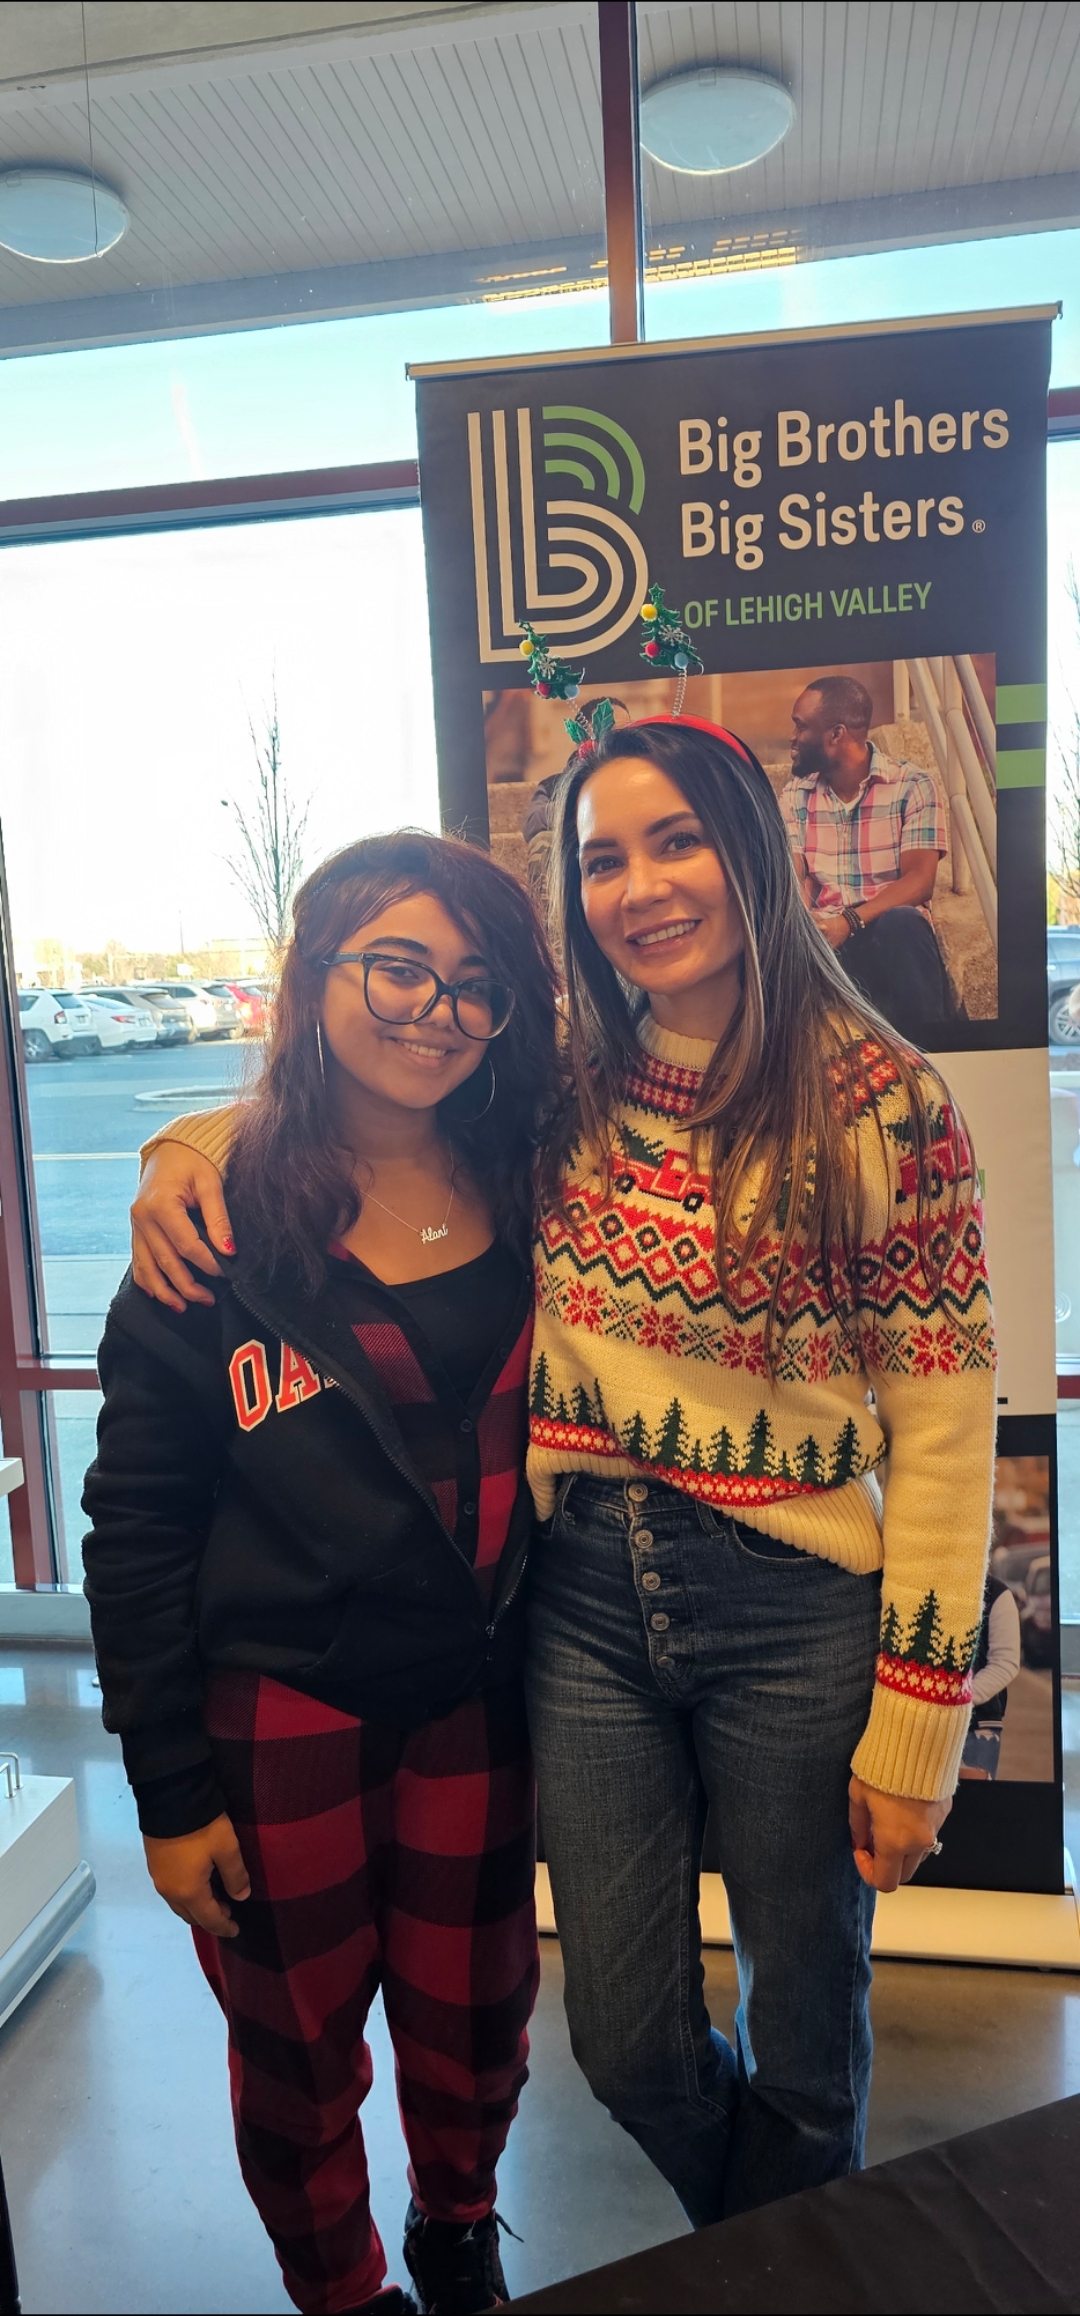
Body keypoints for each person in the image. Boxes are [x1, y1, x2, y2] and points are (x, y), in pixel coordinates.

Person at [129, 715, 995, 2227]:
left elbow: (942, 1427)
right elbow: (357, 1103)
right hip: (581, 1599)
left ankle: (781, 2267)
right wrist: (182, 1150)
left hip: (795, 1608)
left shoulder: (888, 1104)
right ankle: (791, 2248)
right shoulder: (567, 1089)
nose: (642, 886)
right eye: (604, 858)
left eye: (677, 842)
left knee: (803, 2037)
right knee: (625, 2040)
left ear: (757, 853)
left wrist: (919, 1726)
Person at [83, 832, 561, 2316]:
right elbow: (136, 1520)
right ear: (314, 976)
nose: (436, 1009)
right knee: (295, 2042)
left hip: (481, 1696)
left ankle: (458, 2230)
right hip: (284, 1709)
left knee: (476, 2017)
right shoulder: (213, 1233)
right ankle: (343, 2288)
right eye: (397, 965)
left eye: (474, 985)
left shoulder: (542, 1183)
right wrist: (169, 1791)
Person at [781, 674, 956, 1036]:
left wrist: (849, 922)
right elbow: (792, 877)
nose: (793, 738)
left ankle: (933, 1056)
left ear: (836, 735)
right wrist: (808, 927)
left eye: (801, 727)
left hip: (886, 936)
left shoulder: (912, 786)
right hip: (823, 943)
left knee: (904, 924)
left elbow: (920, 883)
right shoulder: (796, 794)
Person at [959, 1574, 1022, 1779]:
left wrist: (958, 1699)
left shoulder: (995, 1593)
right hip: (916, 1723)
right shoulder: (916, 1585)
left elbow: (1005, 1663)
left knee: (973, 1805)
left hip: (977, 1725)